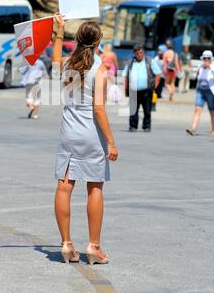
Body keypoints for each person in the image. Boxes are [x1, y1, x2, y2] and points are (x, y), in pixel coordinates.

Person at [53, 14, 118, 265]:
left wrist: (59, 30)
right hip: (91, 134)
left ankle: (66, 244)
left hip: (69, 132)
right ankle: (94, 246)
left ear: (77, 41)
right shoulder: (99, 70)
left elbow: (56, 57)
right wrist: (111, 141)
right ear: (99, 41)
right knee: (95, 187)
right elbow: (99, 108)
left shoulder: (67, 64)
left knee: (64, 186)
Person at [123, 44, 161, 132]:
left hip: (146, 90)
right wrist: (125, 90)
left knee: (147, 110)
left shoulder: (149, 61)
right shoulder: (130, 62)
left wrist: (154, 86)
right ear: (134, 53)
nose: (139, 55)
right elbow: (125, 76)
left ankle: (146, 126)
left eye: (141, 53)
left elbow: (158, 74)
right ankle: (133, 126)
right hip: (133, 90)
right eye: (137, 53)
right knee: (133, 110)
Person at [186, 50, 214, 136]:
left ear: (211, 59)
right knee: (197, 109)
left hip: (210, 91)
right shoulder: (200, 67)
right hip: (201, 90)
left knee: (211, 110)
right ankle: (193, 128)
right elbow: (198, 77)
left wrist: (210, 68)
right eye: (205, 58)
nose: (206, 60)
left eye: (208, 58)